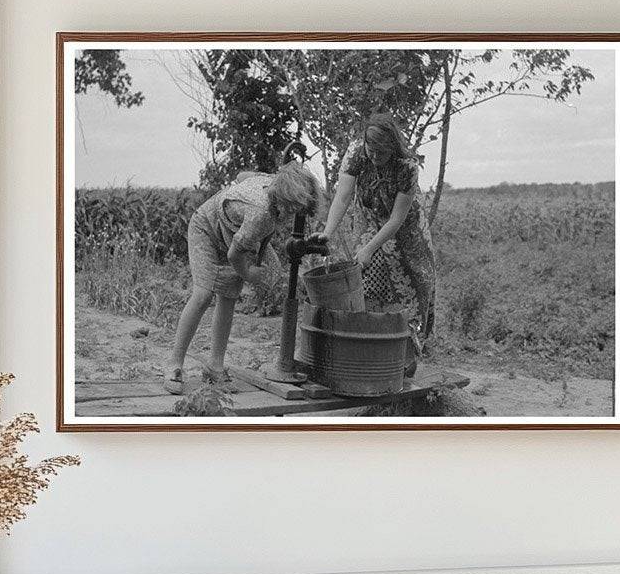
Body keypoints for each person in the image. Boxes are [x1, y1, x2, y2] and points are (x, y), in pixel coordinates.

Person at [164, 162, 320, 394]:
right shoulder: (261, 215)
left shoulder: (269, 180)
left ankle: (214, 366)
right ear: (284, 197)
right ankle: (174, 364)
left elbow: (241, 175)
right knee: (203, 294)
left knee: (228, 296)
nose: (293, 214)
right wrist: (249, 273)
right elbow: (234, 255)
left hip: (233, 232)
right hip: (206, 229)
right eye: (293, 207)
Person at [322, 113, 436, 348]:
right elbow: (342, 198)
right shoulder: (356, 153)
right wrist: (327, 233)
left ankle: (407, 348)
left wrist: (369, 248)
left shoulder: (408, 167)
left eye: (381, 153)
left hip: (406, 229)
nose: (374, 157)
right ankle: (371, 342)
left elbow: (396, 219)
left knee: (413, 282)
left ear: (393, 149)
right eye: (370, 151)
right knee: (367, 277)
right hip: (369, 217)